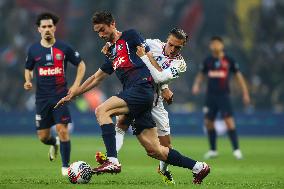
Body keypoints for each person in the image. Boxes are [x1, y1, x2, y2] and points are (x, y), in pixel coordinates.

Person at [56, 11, 210, 184]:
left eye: (103, 29)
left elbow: (149, 56)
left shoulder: (130, 35)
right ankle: (199, 167)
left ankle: (112, 160)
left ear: (113, 24)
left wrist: (163, 86)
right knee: (155, 150)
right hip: (141, 96)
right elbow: (96, 78)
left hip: (142, 88)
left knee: (102, 110)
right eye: (97, 32)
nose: (101, 35)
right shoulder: (111, 52)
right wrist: (74, 93)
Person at [96, 28, 188, 185]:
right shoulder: (152, 44)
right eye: (171, 45)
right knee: (121, 123)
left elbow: (159, 77)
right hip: (138, 90)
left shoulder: (180, 64)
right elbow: (125, 49)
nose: (172, 50)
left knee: (165, 146)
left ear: (183, 46)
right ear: (167, 39)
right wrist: (111, 48)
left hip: (156, 102)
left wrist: (164, 87)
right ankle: (111, 158)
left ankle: (163, 170)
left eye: (177, 47)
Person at [24, 12, 86, 175]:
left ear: (54, 28)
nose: (47, 29)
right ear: (39, 29)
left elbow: (81, 65)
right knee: (43, 137)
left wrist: (76, 85)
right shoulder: (33, 50)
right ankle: (54, 143)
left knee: (63, 130)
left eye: (50, 26)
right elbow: (28, 68)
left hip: (61, 97)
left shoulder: (64, 48)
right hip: (42, 99)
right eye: (43, 27)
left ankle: (65, 167)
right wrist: (28, 80)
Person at [192, 36, 250, 160]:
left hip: (224, 95)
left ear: (222, 45)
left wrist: (245, 93)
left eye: (217, 43)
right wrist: (196, 85)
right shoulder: (207, 61)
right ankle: (213, 150)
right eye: (212, 44)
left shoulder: (229, 60)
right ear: (210, 46)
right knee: (208, 123)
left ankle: (236, 150)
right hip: (210, 96)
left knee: (229, 122)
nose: (215, 46)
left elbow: (238, 77)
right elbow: (200, 75)